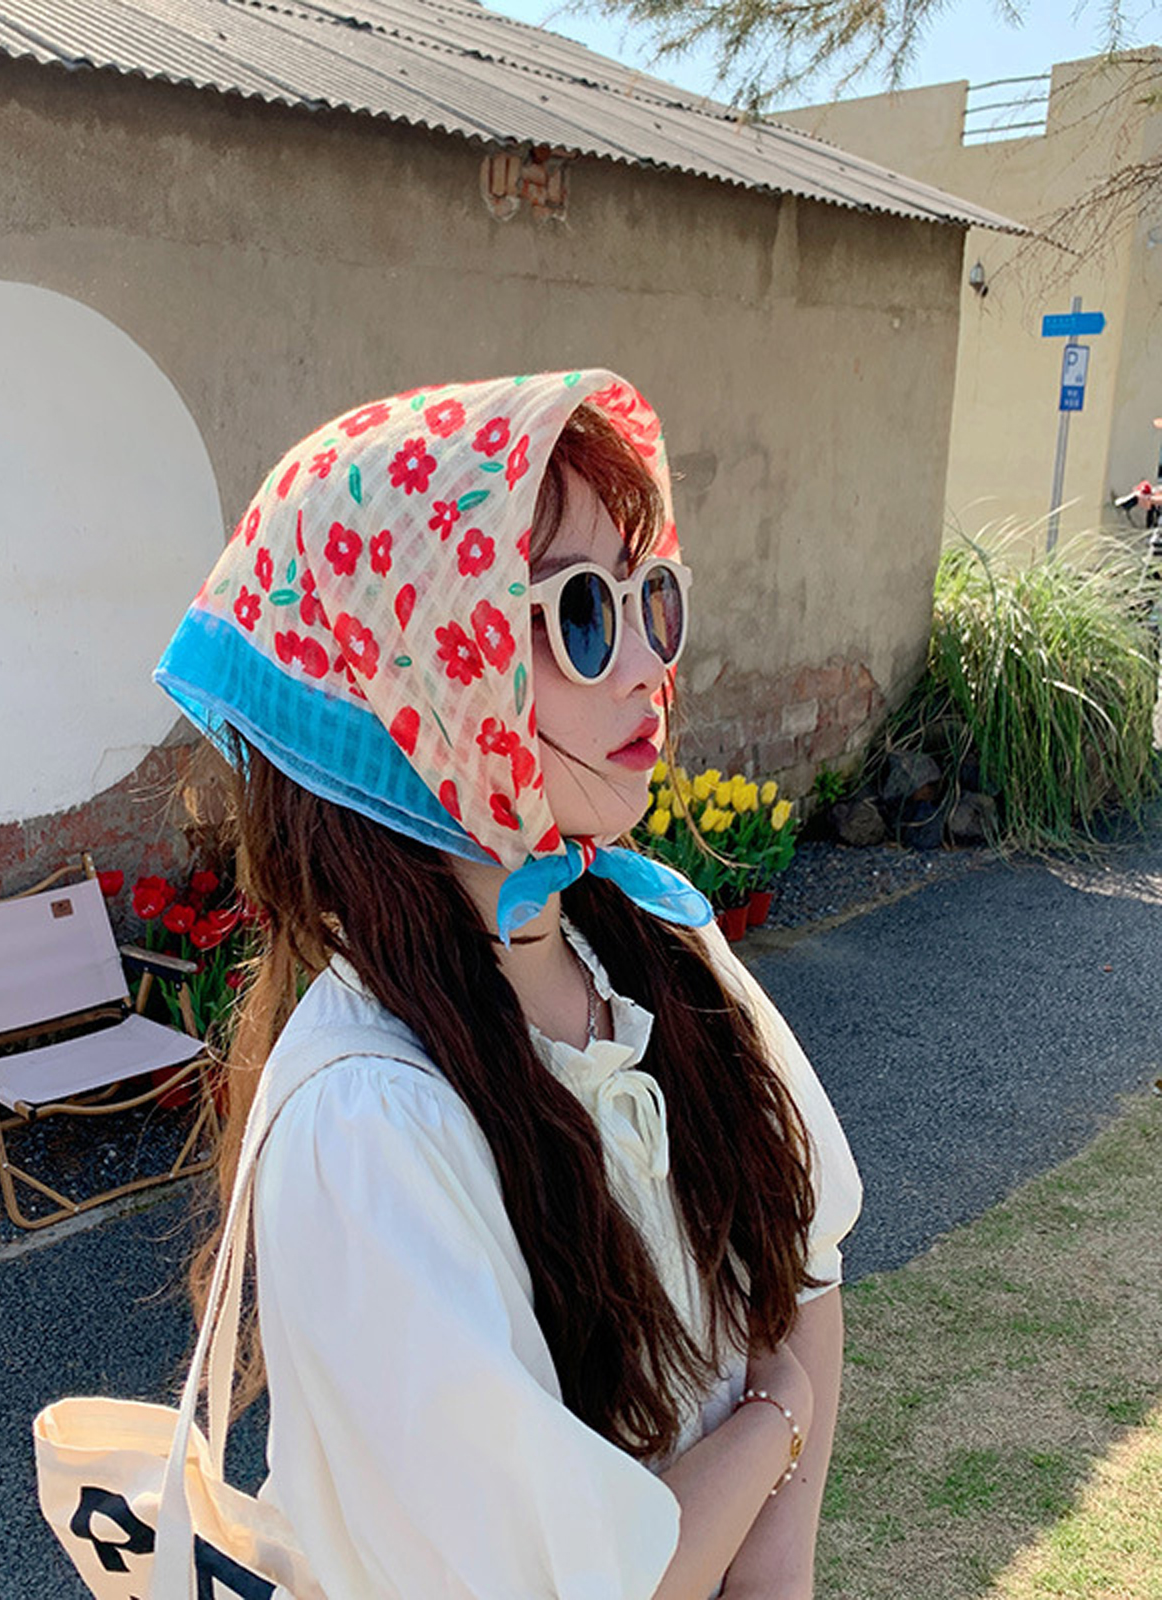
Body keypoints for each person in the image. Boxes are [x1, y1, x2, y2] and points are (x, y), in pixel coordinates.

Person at [154, 369, 862, 1600]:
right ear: (416, 677)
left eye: (651, 596)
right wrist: (774, 1421)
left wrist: (775, 1570)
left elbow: (805, 1264)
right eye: (580, 612)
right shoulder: (369, 1117)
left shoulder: (656, 946)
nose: (645, 665)